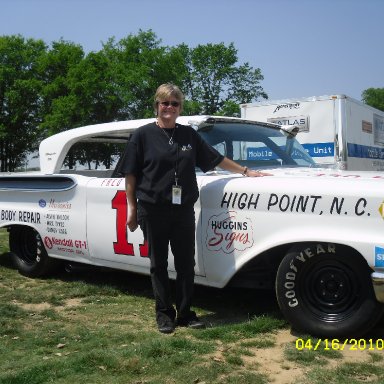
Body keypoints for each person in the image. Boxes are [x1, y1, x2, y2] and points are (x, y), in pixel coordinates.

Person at [119, 83, 271, 334]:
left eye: (175, 103)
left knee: (185, 263)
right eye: (165, 103)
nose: (169, 107)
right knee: (158, 264)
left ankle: (186, 312)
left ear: (180, 108)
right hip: (153, 208)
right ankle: (164, 314)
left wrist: (245, 171)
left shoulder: (188, 135)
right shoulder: (142, 135)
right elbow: (131, 175)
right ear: (157, 105)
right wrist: (132, 209)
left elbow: (215, 158)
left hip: (183, 209)